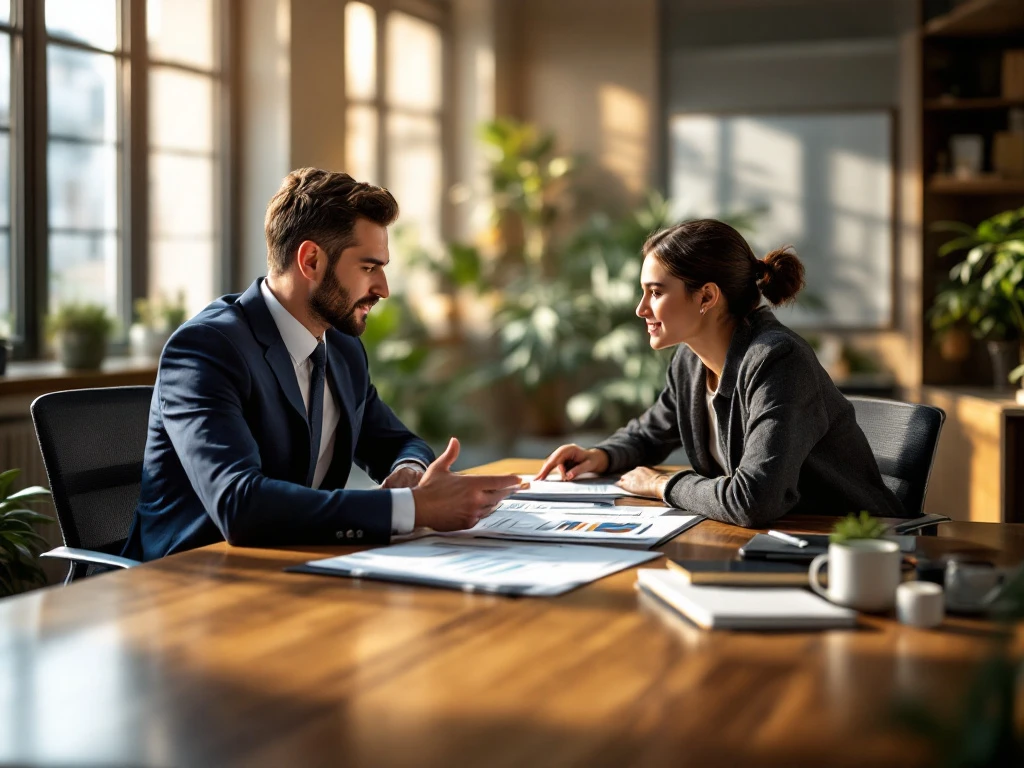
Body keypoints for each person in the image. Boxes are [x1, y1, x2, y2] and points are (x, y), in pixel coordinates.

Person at [124, 168, 522, 561]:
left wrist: (410, 470)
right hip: (192, 581)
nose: (382, 288)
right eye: (369, 267)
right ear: (311, 260)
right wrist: (414, 509)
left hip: (296, 565)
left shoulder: (342, 347)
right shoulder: (207, 349)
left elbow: (396, 441)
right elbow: (239, 504)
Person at [537, 219, 905, 527]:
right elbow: (651, 433)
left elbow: (754, 499)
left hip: (847, 547)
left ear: (707, 297)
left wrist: (662, 485)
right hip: (767, 541)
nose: (640, 309)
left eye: (655, 292)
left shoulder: (777, 360)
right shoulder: (690, 361)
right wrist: (598, 456)